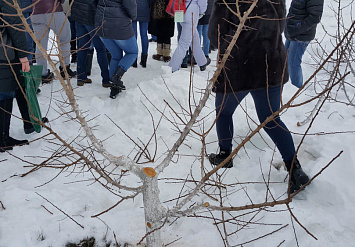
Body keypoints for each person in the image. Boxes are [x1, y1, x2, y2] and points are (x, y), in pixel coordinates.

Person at [208, 0, 310, 194]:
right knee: (271, 118)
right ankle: (295, 170)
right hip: (269, 63)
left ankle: (224, 155)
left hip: (237, 67)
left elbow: (215, 36)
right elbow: (281, 25)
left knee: (223, 112)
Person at [1, 0, 30, 152]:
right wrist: (23, 55)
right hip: (3, 52)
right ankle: (3, 138)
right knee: (5, 92)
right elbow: (14, 26)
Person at [95, 0, 138, 99]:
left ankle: (114, 88)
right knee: (132, 52)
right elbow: (131, 5)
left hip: (102, 24)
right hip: (119, 25)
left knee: (116, 56)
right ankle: (116, 77)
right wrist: (133, 16)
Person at [31, 0, 76, 83]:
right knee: (65, 40)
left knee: (40, 45)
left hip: (35, 12)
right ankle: (65, 69)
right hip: (54, 10)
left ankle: (43, 73)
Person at [285, 0, 324, 88]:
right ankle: (285, 88)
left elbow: (315, 17)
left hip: (301, 36)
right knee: (285, 61)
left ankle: (297, 89)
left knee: (293, 64)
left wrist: (297, 28)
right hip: (291, 32)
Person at [71, 0, 110, 87]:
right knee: (101, 49)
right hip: (92, 17)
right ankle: (106, 79)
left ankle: (81, 77)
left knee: (82, 48)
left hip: (79, 15)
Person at [169, 0, 210, 72]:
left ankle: (202, 62)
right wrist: (201, 12)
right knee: (184, 43)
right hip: (191, 12)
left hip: (179, 9)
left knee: (194, 38)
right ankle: (173, 67)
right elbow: (202, 3)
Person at [132, 0, 151, 68]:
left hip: (133, 9)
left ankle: (133, 59)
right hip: (145, 9)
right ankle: (144, 59)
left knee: (133, 35)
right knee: (144, 35)